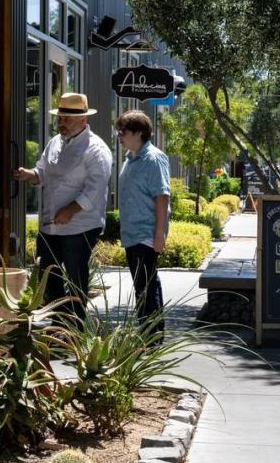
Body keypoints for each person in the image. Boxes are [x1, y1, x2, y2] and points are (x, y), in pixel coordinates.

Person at [12, 93, 112, 319]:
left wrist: (70, 210)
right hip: (49, 226)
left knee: (76, 280)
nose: (61, 123)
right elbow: (43, 173)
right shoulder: (54, 143)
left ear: (83, 120)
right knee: (49, 278)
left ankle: (75, 329)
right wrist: (29, 175)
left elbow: (95, 189)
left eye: (67, 118)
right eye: (60, 118)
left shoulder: (97, 149)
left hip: (80, 227)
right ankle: (58, 327)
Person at [115, 110, 170, 335]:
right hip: (132, 234)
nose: (119, 135)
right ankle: (148, 333)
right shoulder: (131, 158)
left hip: (146, 234)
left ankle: (153, 336)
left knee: (146, 286)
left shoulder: (153, 158)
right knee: (142, 286)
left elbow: (162, 196)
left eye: (123, 131)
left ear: (139, 133)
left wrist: (159, 234)